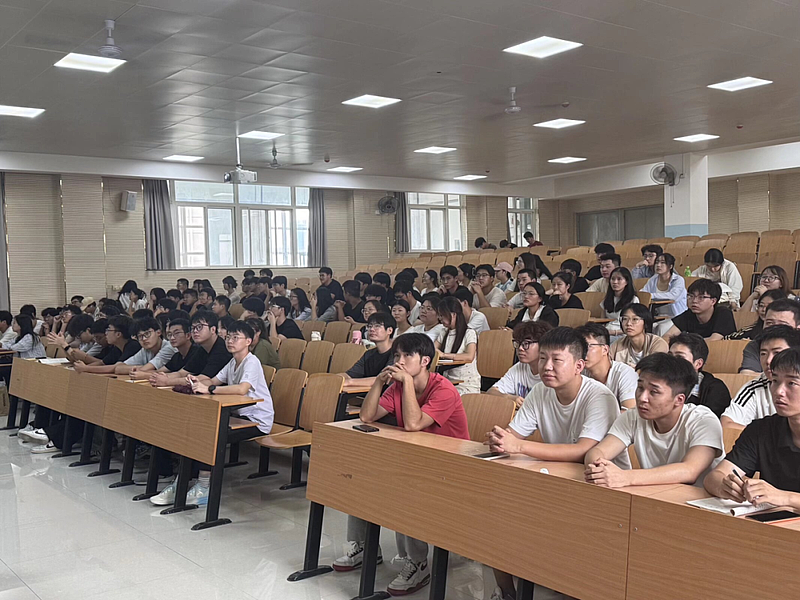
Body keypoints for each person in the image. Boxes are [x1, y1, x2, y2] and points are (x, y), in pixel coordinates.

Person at [333, 333, 469, 596]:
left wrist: (405, 382)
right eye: (397, 355)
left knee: (408, 489)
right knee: (361, 477)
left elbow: (413, 424)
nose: (400, 361)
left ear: (425, 361)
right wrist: (378, 382)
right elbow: (367, 416)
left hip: (450, 464)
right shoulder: (396, 386)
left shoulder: (443, 389)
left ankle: (418, 563)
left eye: (407, 355)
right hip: (416, 457)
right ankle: (364, 547)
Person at [152, 321, 274, 506]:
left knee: (209, 435)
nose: (230, 341)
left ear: (248, 341)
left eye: (236, 337)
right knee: (194, 429)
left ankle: (204, 487)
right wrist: (195, 382)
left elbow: (241, 389)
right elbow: (213, 380)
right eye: (228, 337)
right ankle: (181, 483)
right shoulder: (232, 362)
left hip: (257, 421)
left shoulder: (252, 362)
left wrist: (209, 389)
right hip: (238, 416)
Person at [486, 327, 628, 463]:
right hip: (559, 468)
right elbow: (512, 435)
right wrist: (500, 440)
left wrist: (518, 446)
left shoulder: (600, 397)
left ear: (578, 366)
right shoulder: (539, 391)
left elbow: (583, 451)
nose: (547, 366)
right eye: (542, 358)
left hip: (602, 475)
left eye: (557, 360)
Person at [584, 353, 724, 488]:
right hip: (654, 494)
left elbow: (689, 471)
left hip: (697, 500)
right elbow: (598, 451)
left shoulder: (703, 421)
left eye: (654, 392)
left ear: (679, 399)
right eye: (640, 388)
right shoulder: (634, 416)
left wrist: (625, 477)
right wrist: (599, 468)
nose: (642, 398)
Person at [704, 347, 800, 510]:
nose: (778, 391)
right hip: (773, 520)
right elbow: (714, 477)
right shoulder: (762, 430)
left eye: (791, 383)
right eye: (775, 381)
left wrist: (786, 497)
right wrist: (727, 487)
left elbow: (782, 497)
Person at [722, 325, 800, 429]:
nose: (768, 360)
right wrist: (764, 435)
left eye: (777, 352)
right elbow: (727, 424)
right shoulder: (754, 388)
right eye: (763, 354)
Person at [148, 312, 232, 387]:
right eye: (193, 328)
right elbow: (182, 373)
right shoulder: (202, 349)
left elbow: (202, 379)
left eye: (199, 327)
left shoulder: (222, 350)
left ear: (213, 329)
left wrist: (167, 381)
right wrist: (161, 377)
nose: (195, 331)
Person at [489, 321, 552, 408]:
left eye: (526, 343)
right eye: (518, 343)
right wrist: (508, 398)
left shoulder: (551, 373)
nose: (520, 348)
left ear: (542, 345)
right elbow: (491, 392)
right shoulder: (520, 367)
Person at [575, 323, 638, 410]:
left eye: (588, 347)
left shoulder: (624, 374)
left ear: (605, 350)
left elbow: (630, 412)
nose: (582, 352)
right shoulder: (579, 373)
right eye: (579, 347)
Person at [668, 333, 731, 417]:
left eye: (680, 357)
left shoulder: (716, 389)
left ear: (698, 364)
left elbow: (711, 421)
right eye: (669, 356)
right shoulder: (659, 382)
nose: (671, 361)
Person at [738, 299, 800, 375]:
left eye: (782, 324)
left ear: (798, 327)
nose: (774, 327)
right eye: (769, 323)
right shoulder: (756, 345)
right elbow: (747, 374)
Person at [663, 279, 736, 341]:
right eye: (691, 296)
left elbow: (714, 340)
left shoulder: (723, 314)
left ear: (713, 301)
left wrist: (685, 343)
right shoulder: (689, 314)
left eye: (701, 297)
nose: (694, 301)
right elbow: (668, 336)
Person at [435, 297, 480, 394]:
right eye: (440, 315)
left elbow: (469, 356)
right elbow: (433, 349)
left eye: (443, 315)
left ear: (453, 314)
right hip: (448, 381)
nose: (440, 318)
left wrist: (444, 355)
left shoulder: (469, 333)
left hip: (465, 383)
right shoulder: (444, 332)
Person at [72, 315, 141, 375]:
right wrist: (79, 367)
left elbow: (114, 368)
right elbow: (102, 363)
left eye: (109, 330)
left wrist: (86, 368)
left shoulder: (133, 346)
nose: (106, 333)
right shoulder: (117, 348)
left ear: (118, 334)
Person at [342, 312, 396, 387]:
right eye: (370, 326)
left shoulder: (396, 353)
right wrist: (333, 378)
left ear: (389, 330)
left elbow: (383, 379)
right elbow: (350, 375)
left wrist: (349, 382)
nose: (372, 329)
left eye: (377, 326)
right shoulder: (369, 354)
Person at [641, 252, 687, 318]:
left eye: (663, 262)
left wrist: (651, 295)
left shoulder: (678, 280)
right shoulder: (653, 279)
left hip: (677, 317)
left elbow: (673, 296)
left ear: (670, 266)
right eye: (657, 262)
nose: (658, 265)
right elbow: (644, 292)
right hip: (658, 316)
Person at [601, 266, 639, 336]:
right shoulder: (607, 299)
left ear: (626, 281)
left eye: (619, 279)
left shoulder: (633, 300)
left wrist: (614, 332)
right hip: (607, 331)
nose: (615, 282)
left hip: (622, 333)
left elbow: (634, 324)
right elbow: (602, 320)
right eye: (613, 279)